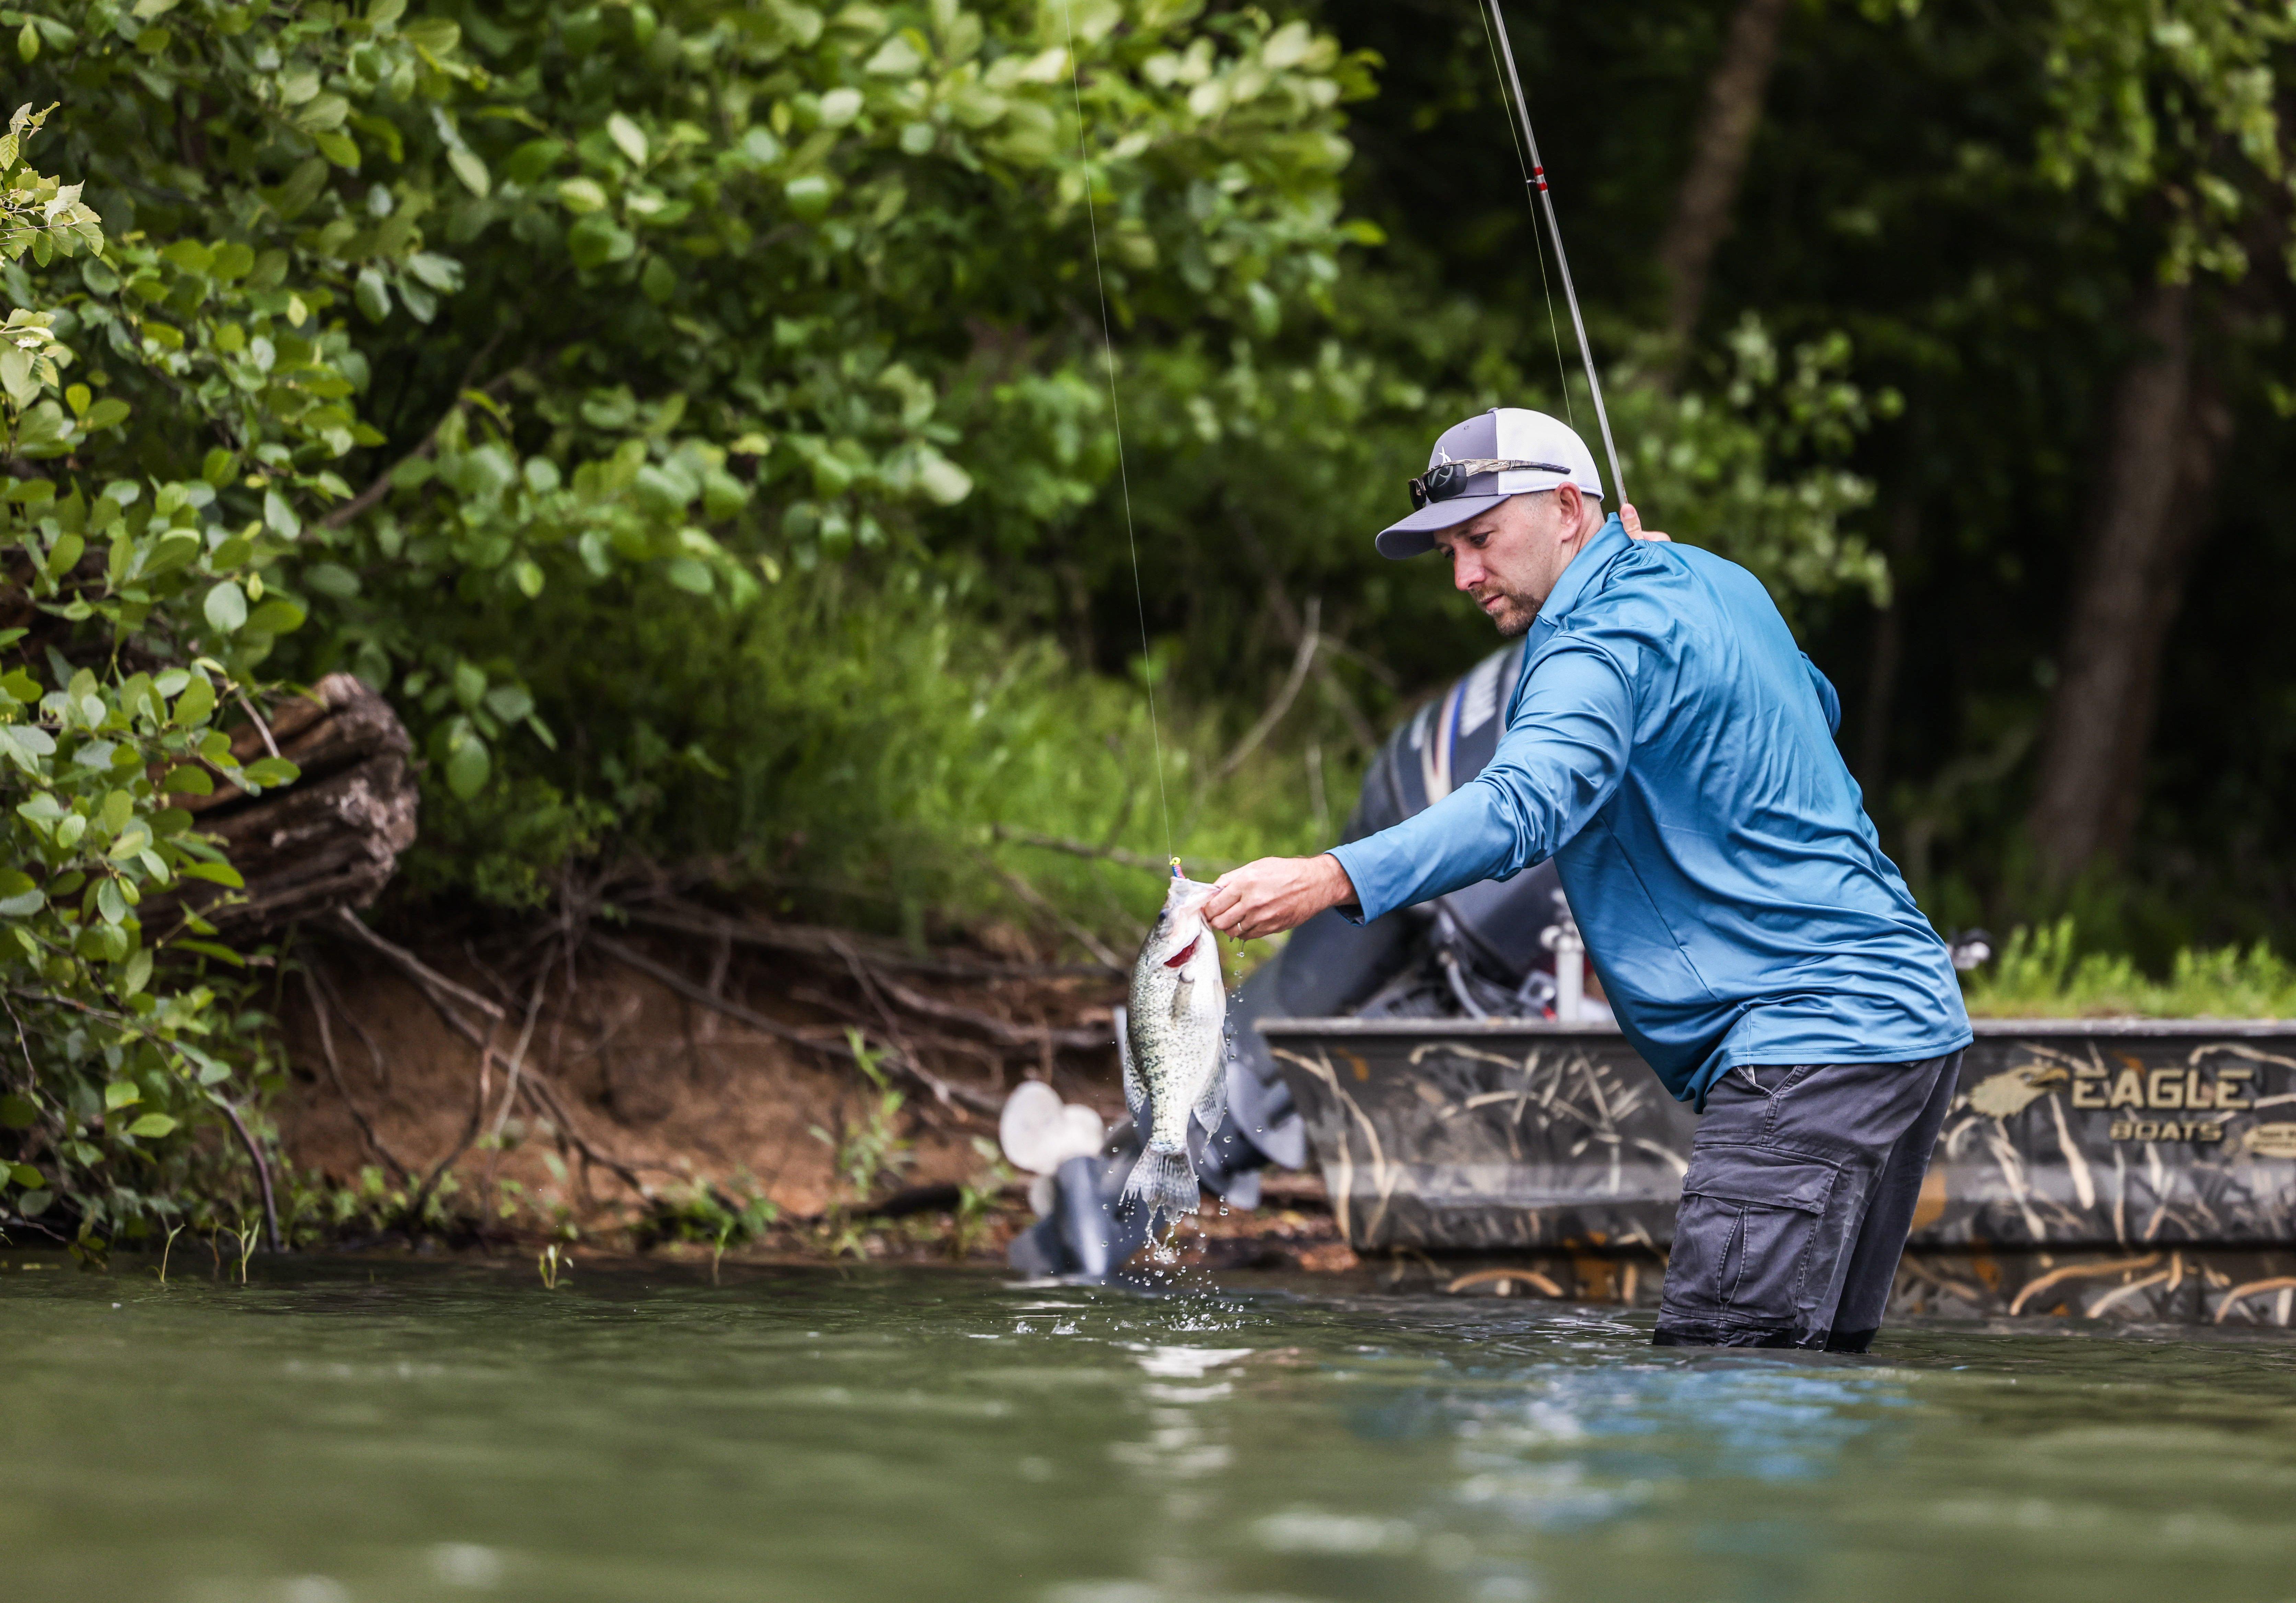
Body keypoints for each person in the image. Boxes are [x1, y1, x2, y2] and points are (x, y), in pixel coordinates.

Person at [1201, 407, 1971, 1352]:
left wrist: (1332, 875)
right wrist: (1680, 593)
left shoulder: (1596, 640)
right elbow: (1816, 700)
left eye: (1482, 538)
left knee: (1719, 1381)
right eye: (1449, 552)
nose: (1464, 575)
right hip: (1911, 1024)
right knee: (1807, 1381)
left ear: (1568, 509)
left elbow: (1520, 806)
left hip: (1805, 1047)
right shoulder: (1716, 582)